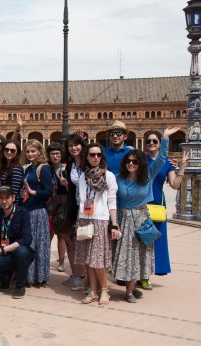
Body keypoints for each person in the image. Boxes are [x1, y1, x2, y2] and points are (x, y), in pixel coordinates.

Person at [112, 127, 178, 303]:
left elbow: (162, 158)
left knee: (140, 254)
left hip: (142, 218)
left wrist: (164, 138)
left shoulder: (148, 174)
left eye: (135, 161)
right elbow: (113, 200)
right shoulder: (119, 178)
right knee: (126, 254)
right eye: (129, 161)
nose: (131, 164)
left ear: (141, 163)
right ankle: (129, 289)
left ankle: (130, 289)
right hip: (124, 219)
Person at [142, 131, 188, 287]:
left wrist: (181, 168)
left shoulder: (167, 163)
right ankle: (143, 275)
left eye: (155, 141)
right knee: (143, 239)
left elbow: (174, 185)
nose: (151, 144)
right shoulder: (141, 161)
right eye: (149, 141)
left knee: (158, 241)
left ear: (160, 144)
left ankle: (154, 269)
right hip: (143, 203)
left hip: (158, 204)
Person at [75, 144, 119, 305]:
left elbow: (112, 201)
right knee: (88, 259)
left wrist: (114, 223)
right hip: (84, 218)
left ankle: (105, 290)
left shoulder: (108, 176)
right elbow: (81, 198)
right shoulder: (83, 176)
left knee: (98, 259)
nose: (95, 157)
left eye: (98, 155)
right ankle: (93, 291)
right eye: (92, 154)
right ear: (87, 156)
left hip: (100, 219)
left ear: (102, 157)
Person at [0, 186, 34, 299]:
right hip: (5, 256)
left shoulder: (23, 213)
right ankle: (7, 277)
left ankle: (20, 285)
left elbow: (26, 239)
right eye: (1, 198)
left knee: (21, 252)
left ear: (13, 198)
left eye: (7, 197)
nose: (4, 201)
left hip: (20, 253)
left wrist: (0, 250)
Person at [21, 139, 53, 286]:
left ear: (40, 152)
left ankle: (40, 276)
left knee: (39, 244)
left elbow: (49, 191)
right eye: (27, 151)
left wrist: (33, 192)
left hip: (38, 211)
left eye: (33, 151)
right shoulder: (28, 169)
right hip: (28, 211)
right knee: (30, 244)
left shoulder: (44, 168)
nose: (30, 154)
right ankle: (29, 275)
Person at [62, 133, 88, 289]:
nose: (74, 148)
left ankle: (84, 277)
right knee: (75, 240)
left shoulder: (89, 162)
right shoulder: (71, 166)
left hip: (89, 208)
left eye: (76, 144)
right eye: (70, 145)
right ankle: (79, 275)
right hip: (76, 207)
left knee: (85, 240)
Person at [45, 142, 68, 271]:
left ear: (61, 154)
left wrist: (65, 184)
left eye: (57, 153)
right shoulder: (46, 169)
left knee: (61, 234)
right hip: (50, 204)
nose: (55, 156)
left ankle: (61, 262)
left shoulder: (66, 168)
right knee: (48, 232)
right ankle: (45, 258)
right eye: (52, 154)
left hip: (63, 203)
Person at [0, 140, 24, 205]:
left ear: (17, 153)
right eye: (7, 149)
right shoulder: (5, 166)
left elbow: (13, 192)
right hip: (4, 203)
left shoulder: (16, 168)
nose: (9, 152)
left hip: (11, 206)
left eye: (12, 150)